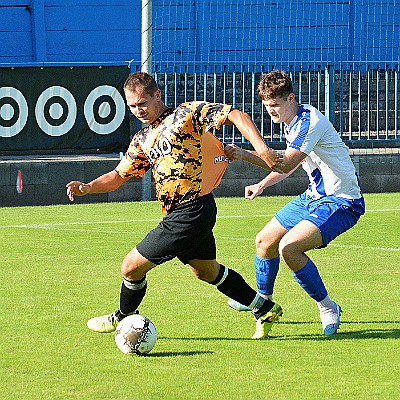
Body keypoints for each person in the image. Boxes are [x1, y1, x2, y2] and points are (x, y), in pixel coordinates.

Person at [66, 71, 284, 336]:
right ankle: (264, 307)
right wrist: (88, 187)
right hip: (187, 212)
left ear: (157, 95)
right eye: (132, 106)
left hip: (191, 209)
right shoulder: (143, 139)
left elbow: (235, 114)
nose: (138, 110)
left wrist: (261, 148)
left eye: (143, 103)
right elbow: (118, 175)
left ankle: (122, 317)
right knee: (206, 271)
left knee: (130, 267)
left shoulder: (186, 114)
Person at [226, 70, 365, 338]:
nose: (271, 112)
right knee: (264, 241)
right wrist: (262, 184)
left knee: (289, 248)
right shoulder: (293, 122)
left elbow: (285, 162)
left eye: (275, 105)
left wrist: (244, 154)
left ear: (291, 98)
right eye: (267, 107)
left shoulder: (310, 122)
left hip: (342, 202)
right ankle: (262, 302)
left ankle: (328, 307)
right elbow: (290, 165)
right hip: (313, 197)